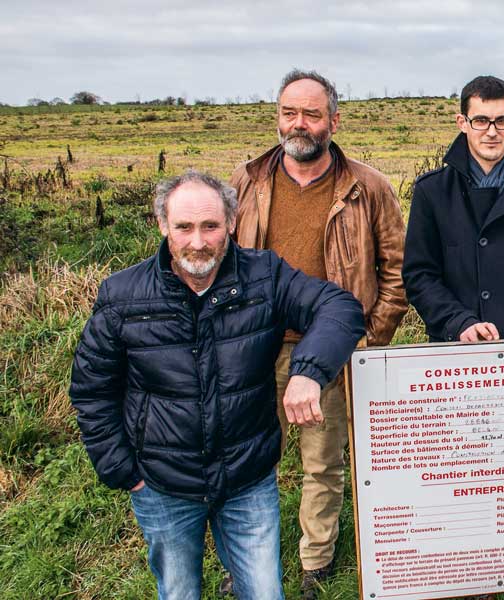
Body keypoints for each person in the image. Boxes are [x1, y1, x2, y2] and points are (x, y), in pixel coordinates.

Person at [69, 171, 365, 600]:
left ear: (231, 222)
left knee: (264, 592)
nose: (198, 241)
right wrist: (123, 471)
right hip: (161, 483)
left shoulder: (265, 277)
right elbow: (92, 389)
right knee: (179, 591)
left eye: (210, 226)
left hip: (248, 479)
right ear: (162, 225)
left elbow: (339, 307)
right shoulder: (123, 296)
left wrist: (308, 370)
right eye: (184, 227)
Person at [229, 69, 407, 598]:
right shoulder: (247, 181)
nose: (298, 124)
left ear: (334, 119)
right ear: (277, 115)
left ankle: (315, 563)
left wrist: (367, 340)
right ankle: (248, 559)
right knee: (246, 461)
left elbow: (396, 271)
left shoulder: (367, 186)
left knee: (322, 462)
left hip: (330, 350)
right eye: (289, 112)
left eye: (311, 113)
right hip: (252, 347)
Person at [402, 75, 504, 600]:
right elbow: (419, 274)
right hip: (461, 353)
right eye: (481, 120)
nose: (491, 131)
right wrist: (456, 324)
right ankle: (473, 573)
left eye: (501, 120)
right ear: (462, 122)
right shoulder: (432, 191)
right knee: (468, 471)